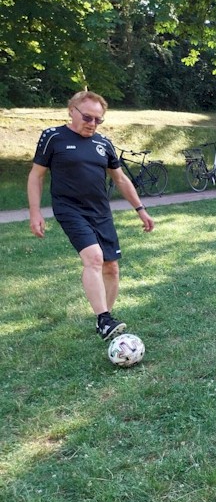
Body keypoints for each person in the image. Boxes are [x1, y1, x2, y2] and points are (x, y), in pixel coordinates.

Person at [27, 91, 155, 340]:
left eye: (98, 120)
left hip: (100, 211)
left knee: (112, 268)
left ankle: (104, 318)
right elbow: (36, 175)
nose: (92, 124)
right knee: (94, 258)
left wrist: (141, 210)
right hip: (69, 209)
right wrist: (35, 212)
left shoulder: (103, 143)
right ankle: (104, 319)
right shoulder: (53, 137)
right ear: (71, 111)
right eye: (87, 118)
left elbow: (120, 178)